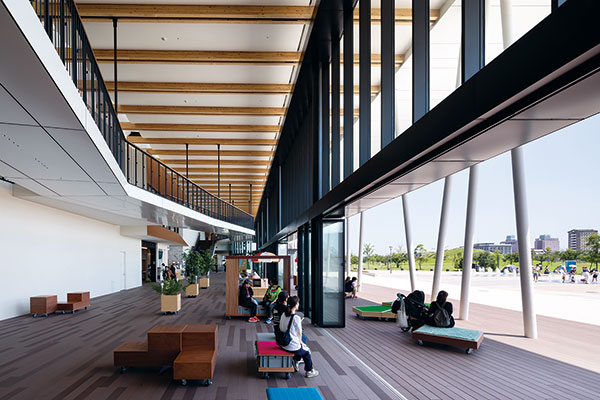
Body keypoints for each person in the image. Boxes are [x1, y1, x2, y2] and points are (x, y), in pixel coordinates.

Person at [278, 296, 319, 378]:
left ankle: (296, 361)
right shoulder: (296, 318)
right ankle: (309, 371)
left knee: (301, 348)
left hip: (282, 343)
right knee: (306, 351)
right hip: (290, 345)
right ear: (296, 305)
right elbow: (299, 332)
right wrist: (301, 342)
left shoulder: (283, 314)